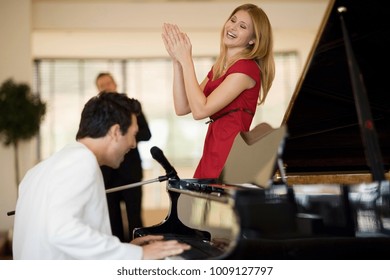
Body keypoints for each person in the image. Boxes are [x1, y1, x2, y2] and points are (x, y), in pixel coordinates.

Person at [12, 92, 190, 259]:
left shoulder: (40, 170)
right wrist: (138, 255)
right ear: (115, 132)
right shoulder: (81, 162)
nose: (134, 144)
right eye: (133, 135)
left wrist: (126, 248)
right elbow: (61, 230)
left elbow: (60, 236)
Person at [162, 3, 275, 179]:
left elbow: (200, 111)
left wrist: (186, 60)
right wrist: (177, 61)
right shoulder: (220, 67)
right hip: (213, 147)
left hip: (229, 151)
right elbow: (182, 107)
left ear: (253, 40)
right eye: (233, 20)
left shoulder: (246, 69)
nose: (233, 27)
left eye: (242, 26)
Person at [95, 72, 151, 242]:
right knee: (112, 219)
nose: (106, 87)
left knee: (135, 216)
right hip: (107, 174)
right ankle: (119, 255)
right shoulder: (97, 112)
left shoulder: (131, 107)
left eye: (108, 83)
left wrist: (124, 137)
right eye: (101, 85)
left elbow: (146, 134)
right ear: (98, 89)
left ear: (115, 84)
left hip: (131, 171)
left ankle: (140, 253)